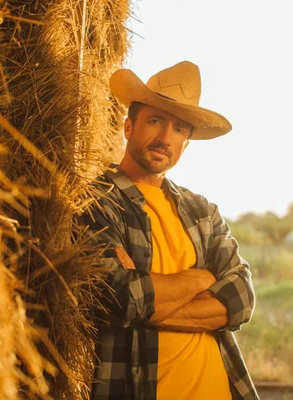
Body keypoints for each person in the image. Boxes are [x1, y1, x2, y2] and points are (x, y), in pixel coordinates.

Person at [81, 61, 258, 400]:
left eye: (179, 129)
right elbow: (115, 296)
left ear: (187, 144)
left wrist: (147, 297)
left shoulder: (201, 211)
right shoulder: (99, 201)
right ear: (129, 126)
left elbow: (241, 300)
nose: (165, 138)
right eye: (156, 121)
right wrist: (200, 281)